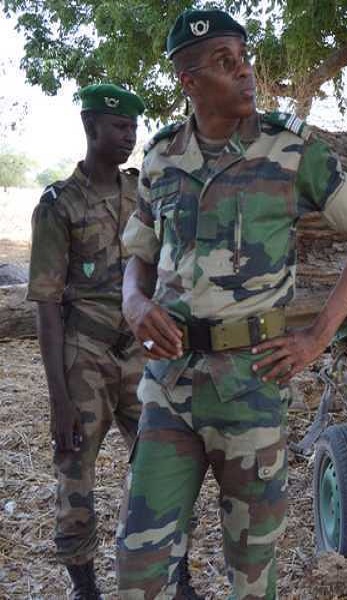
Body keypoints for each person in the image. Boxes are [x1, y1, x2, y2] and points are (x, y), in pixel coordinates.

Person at [115, 8, 347, 598]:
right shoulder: (161, 157)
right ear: (189, 82)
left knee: (252, 568)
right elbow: (139, 254)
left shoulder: (289, 151)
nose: (245, 72)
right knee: (138, 563)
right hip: (169, 386)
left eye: (244, 58)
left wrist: (317, 338)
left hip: (251, 386)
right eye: (225, 63)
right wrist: (134, 303)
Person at [27, 84, 146, 599]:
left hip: (139, 351)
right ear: (90, 127)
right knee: (76, 472)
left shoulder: (140, 194)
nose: (129, 136)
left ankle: (169, 568)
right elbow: (47, 304)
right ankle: (85, 585)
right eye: (119, 127)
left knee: (164, 462)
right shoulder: (60, 205)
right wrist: (59, 400)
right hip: (85, 354)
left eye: (133, 128)